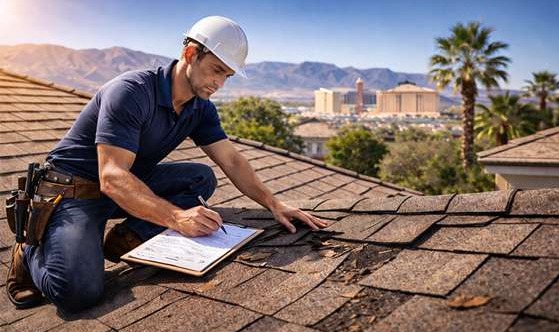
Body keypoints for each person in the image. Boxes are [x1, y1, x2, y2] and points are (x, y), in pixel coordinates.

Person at [7, 16, 328, 312]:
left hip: (121, 186)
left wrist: (274, 203)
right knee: (79, 294)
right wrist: (177, 218)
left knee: (200, 178)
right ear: (190, 54)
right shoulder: (131, 92)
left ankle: (126, 237)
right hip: (73, 193)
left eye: (227, 76)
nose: (220, 83)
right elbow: (112, 177)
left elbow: (231, 159)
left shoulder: (200, 108)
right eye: (216, 70)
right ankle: (29, 250)